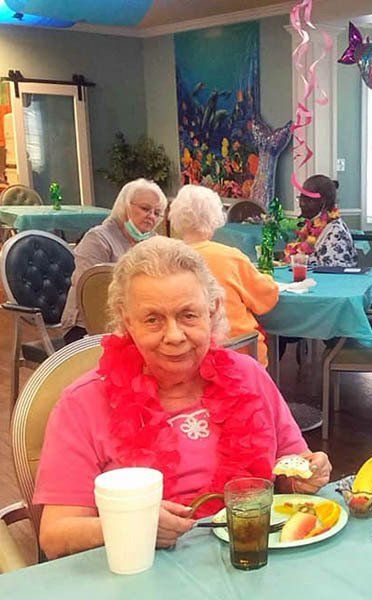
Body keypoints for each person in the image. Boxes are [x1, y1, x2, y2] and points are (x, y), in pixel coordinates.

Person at [34, 237, 331, 559]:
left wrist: (307, 475)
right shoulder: (82, 404)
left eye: (188, 315)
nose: (174, 336)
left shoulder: (250, 377)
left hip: (254, 556)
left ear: (212, 311)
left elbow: (292, 469)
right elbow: (55, 536)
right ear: (126, 320)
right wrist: (133, 521)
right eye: (153, 319)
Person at [170, 184, 279, 366]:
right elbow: (266, 299)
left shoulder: (168, 258)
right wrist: (268, 278)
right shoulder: (230, 256)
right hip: (237, 351)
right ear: (215, 218)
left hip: (185, 354)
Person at [62, 178, 167, 344]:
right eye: (145, 209)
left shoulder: (154, 242)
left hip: (139, 324)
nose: (151, 217)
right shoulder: (97, 239)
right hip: (88, 327)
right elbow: (91, 293)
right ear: (125, 206)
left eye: (157, 213)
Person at [286, 174, 357, 267]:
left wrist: (298, 260)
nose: (301, 204)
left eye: (308, 200)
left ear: (323, 202)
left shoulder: (336, 231)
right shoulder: (309, 225)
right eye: (301, 198)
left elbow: (332, 269)